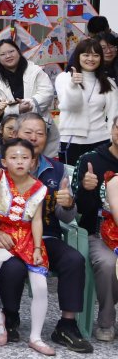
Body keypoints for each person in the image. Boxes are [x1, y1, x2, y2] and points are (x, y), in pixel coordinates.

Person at [0, 113, 92, 353]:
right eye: (28, 132)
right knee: (12, 267)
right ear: (15, 134)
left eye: (40, 133)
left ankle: (66, 325)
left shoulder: (57, 170)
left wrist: (68, 203)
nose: (34, 137)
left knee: (74, 259)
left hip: (43, 236)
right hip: (3, 233)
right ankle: (9, 317)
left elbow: (66, 218)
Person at [0, 134, 55, 356]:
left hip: (28, 239)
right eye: (13, 157)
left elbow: (37, 220)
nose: (19, 161)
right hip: (1, 235)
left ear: (33, 162)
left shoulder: (40, 188)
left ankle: (35, 337)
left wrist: (39, 248)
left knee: (40, 286)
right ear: (5, 161)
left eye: (25, 157)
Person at [73, 116, 118, 341]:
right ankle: (107, 321)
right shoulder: (91, 160)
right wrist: (86, 188)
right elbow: (79, 209)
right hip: (98, 232)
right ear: (112, 129)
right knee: (108, 263)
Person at [56, 38, 118, 166]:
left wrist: (112, 140)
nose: (91, 59)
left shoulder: (108, 82)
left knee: (99, 181)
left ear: (101, 58)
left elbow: (114, 114)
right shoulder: (64, 78)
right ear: (78, 56)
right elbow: (70, 106)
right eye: (86, 55)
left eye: (96, 55)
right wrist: (73, 85)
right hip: (70, 141)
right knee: (72, 180)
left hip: (100, 140)